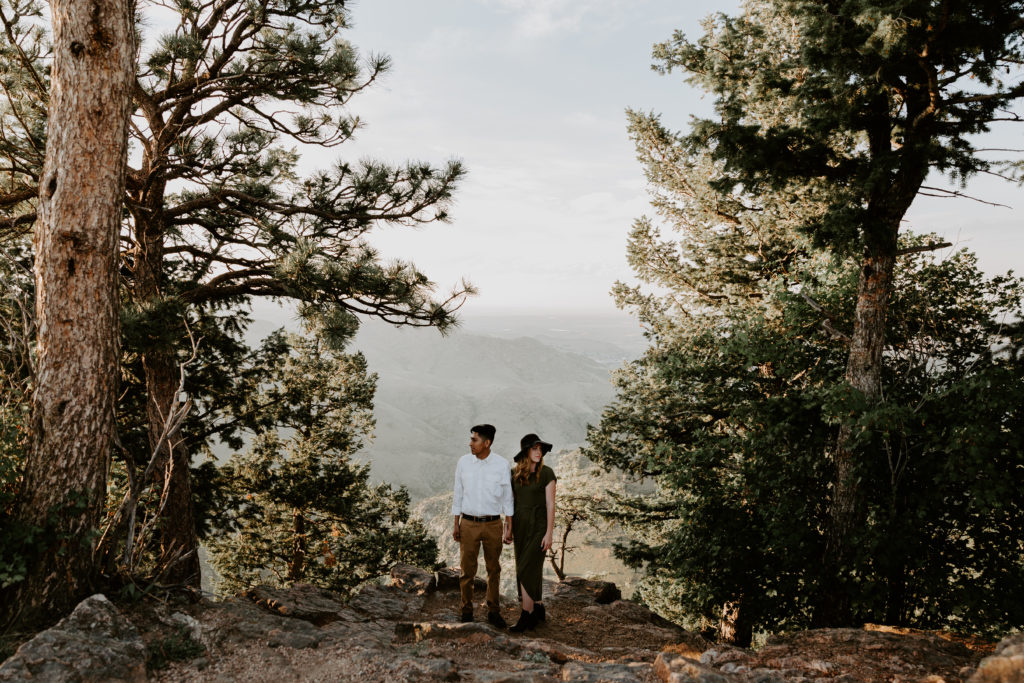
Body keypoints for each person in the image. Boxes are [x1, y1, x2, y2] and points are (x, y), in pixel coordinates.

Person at [451, 424, 513, 627]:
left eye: (475, 440)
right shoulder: (463, 462)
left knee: (493, 569)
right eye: (471, 439)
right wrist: (456, 523)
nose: (470, 443)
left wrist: (508, 525)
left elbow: (507, 497)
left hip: (493, 524)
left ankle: (493, 612)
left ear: (487, 443)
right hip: (468, 522)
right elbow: (458, 493)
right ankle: (466, 611)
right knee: (467, 570)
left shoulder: (501, 464)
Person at [507, 433, 556, 632]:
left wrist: (549, 533)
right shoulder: (514, 474)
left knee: (525, 568)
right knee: (529, 567)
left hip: (539, 526)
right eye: (534, 449)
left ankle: (526, 614)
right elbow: (510, 503)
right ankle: (537, 607)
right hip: (520, 525)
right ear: (526, 451)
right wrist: (507, 527)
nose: (538, 452)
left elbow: (551, 504)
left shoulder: (547, 473)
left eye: (540, 449)